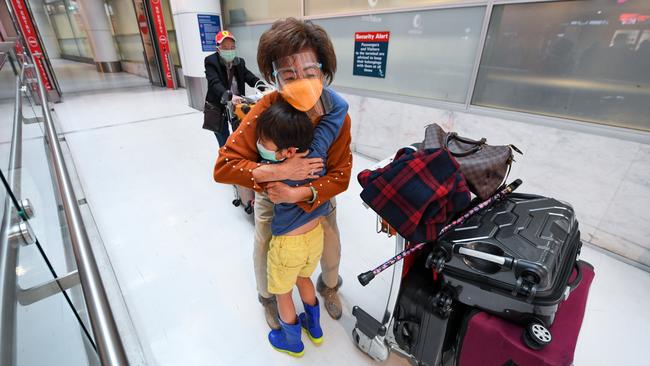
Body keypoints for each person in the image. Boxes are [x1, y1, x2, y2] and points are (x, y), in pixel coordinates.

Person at [213, 18, 352, 330]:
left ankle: (329, 287)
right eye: (288, 75)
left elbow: (342, 174)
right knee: (264, 244)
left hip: (319, 200)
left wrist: (300, 192)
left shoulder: (337, 116)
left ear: (323, 70)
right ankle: (268, 299)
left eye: (309, 72)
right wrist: (279, 170)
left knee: (331, 247)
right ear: (273, 77)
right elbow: (224, 166)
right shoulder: (266, 108)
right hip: (272, 200)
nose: (300, 81)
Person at [256, 97, 345, 356]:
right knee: (303, 278)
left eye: (265, 142)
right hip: (313, 237)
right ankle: (315, 329)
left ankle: (292, 341)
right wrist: (312, 81)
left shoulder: (274, 169)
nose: (260, 145)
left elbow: (240, 172)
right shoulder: (318, 149)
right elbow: (339, 107)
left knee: (283, 293)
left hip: (288, 244)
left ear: (287, 152)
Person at [203, 30, 260, 147]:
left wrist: (262, 86)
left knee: (240, 137)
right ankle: (226, 161)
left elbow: (249, 77)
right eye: (225, 47)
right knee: (224, 141)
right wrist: (229, 96)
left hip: (236, 106)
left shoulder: (239, 62)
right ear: (218, 48)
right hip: (219, 107)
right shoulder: (211, 61)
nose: (229, 50)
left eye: (232, 47)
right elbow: (214, 83)